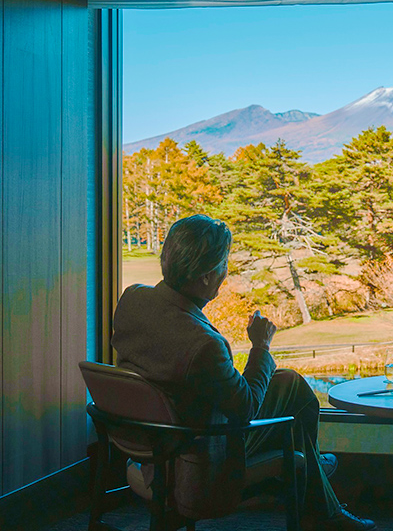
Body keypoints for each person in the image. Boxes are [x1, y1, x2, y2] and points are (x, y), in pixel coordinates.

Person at [113, 214, 376, 530]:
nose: (226, 273)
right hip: (199, 455)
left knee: (290, 382)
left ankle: (317, 486)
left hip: (158, 437)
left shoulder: (133, 299)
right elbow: (246, 408)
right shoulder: (203, 344)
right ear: (207, 277)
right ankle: (322, 510)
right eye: (224, 265)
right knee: (292, 407)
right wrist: (260, 347)